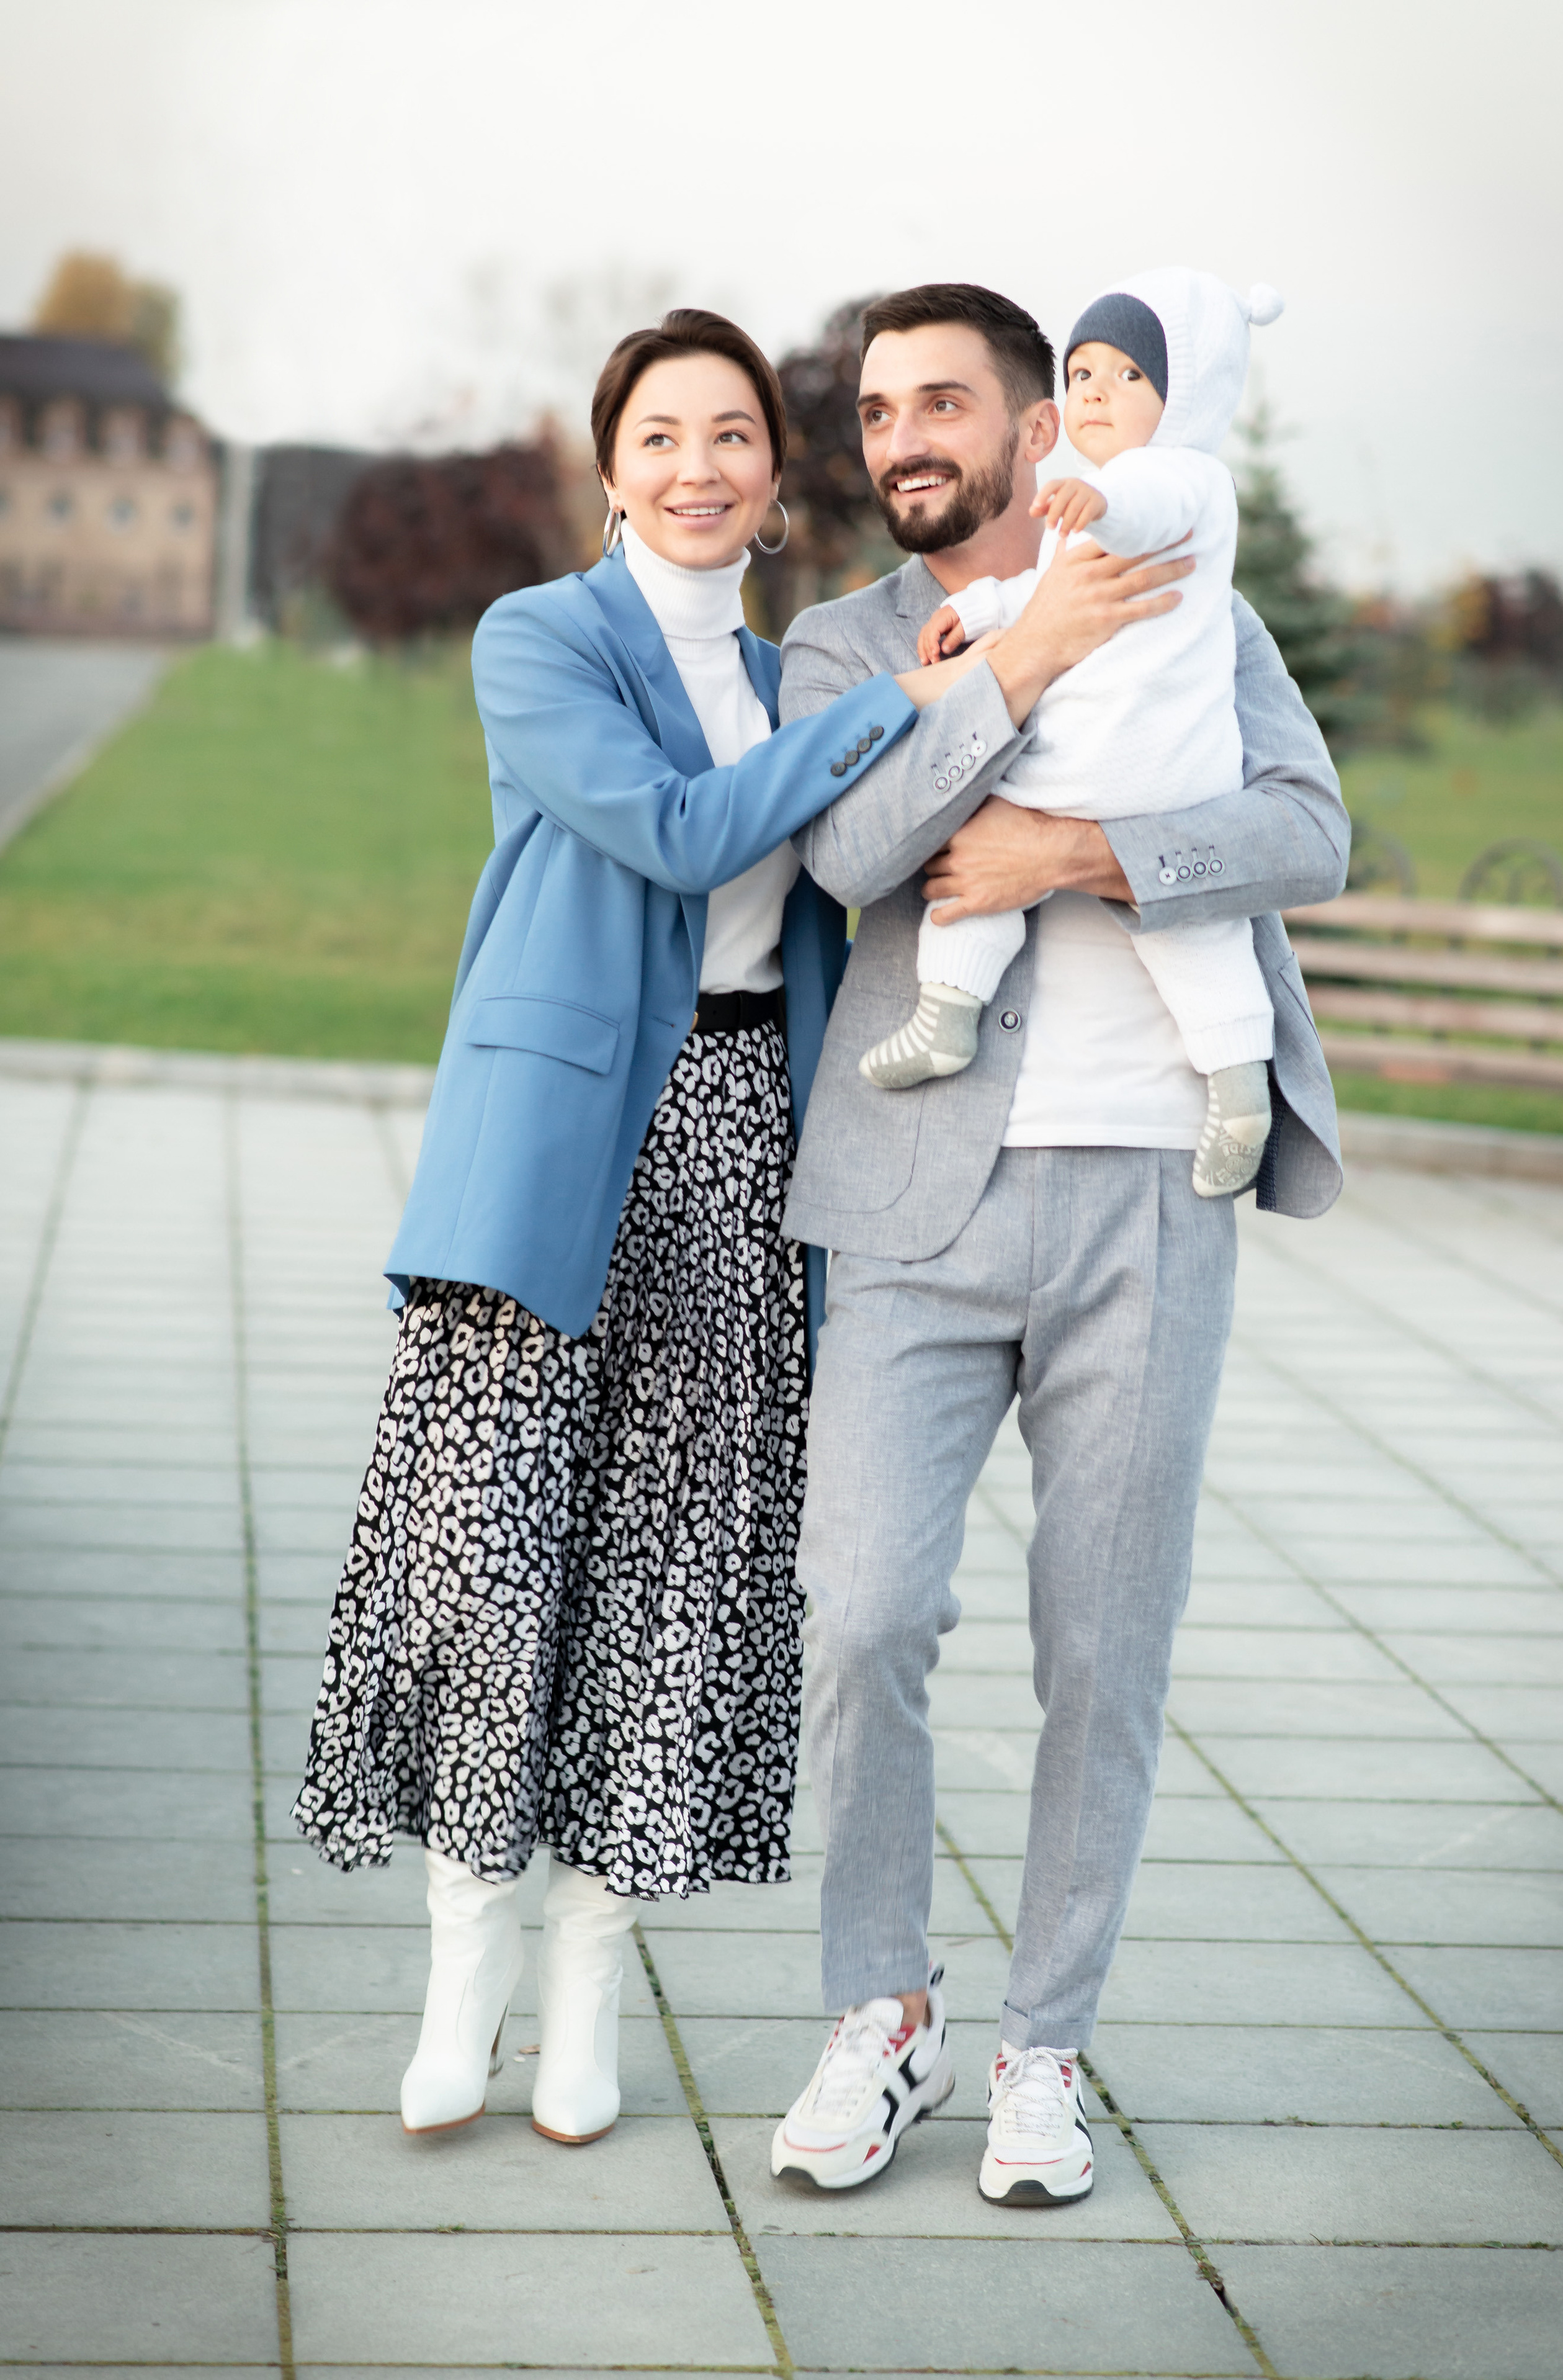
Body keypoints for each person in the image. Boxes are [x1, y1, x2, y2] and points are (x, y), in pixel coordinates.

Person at [289, 307, 1157, 2157]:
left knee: (680, 1585)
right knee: (498, 1558)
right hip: (560, 1147)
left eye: (735, 439)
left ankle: (593, 1988)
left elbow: (874, 864)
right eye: (663, 437)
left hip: (753, 1145)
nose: (699, 469)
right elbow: (677, 835)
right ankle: (466, 1980)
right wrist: (897, 709)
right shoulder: (540, 641)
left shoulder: (801, 669)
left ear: (775, 481)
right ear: (614, 467)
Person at [764, 283, 1347, 2206]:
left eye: (947, 401)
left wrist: (1074, 856)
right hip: (915, 1190)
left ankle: (1044, 2044)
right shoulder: (841, 643)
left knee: (1104, 1649)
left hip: (1151, 1191)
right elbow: (849, 861)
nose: (904, 435)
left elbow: (1305, 830)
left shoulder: (1190, 578)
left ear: (1037, 431)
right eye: (876, 410)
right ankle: (885, 2014)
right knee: (862, 1612)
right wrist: (1023, 672)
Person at [861, 269, 1286, 1205]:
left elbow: (1149, 513)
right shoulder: (1089, 501)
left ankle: (1238, 1088)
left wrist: (1102, 508)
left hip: (1143, 771)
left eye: (1128, 377)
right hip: (1119, 766)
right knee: (1003, 890)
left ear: (1189, 398)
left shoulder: (1174, 478)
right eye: (1084, 370)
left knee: (1183, 933)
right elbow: (1051, 590)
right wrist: (986, 608)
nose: (1096, 391)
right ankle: (953, 1011)